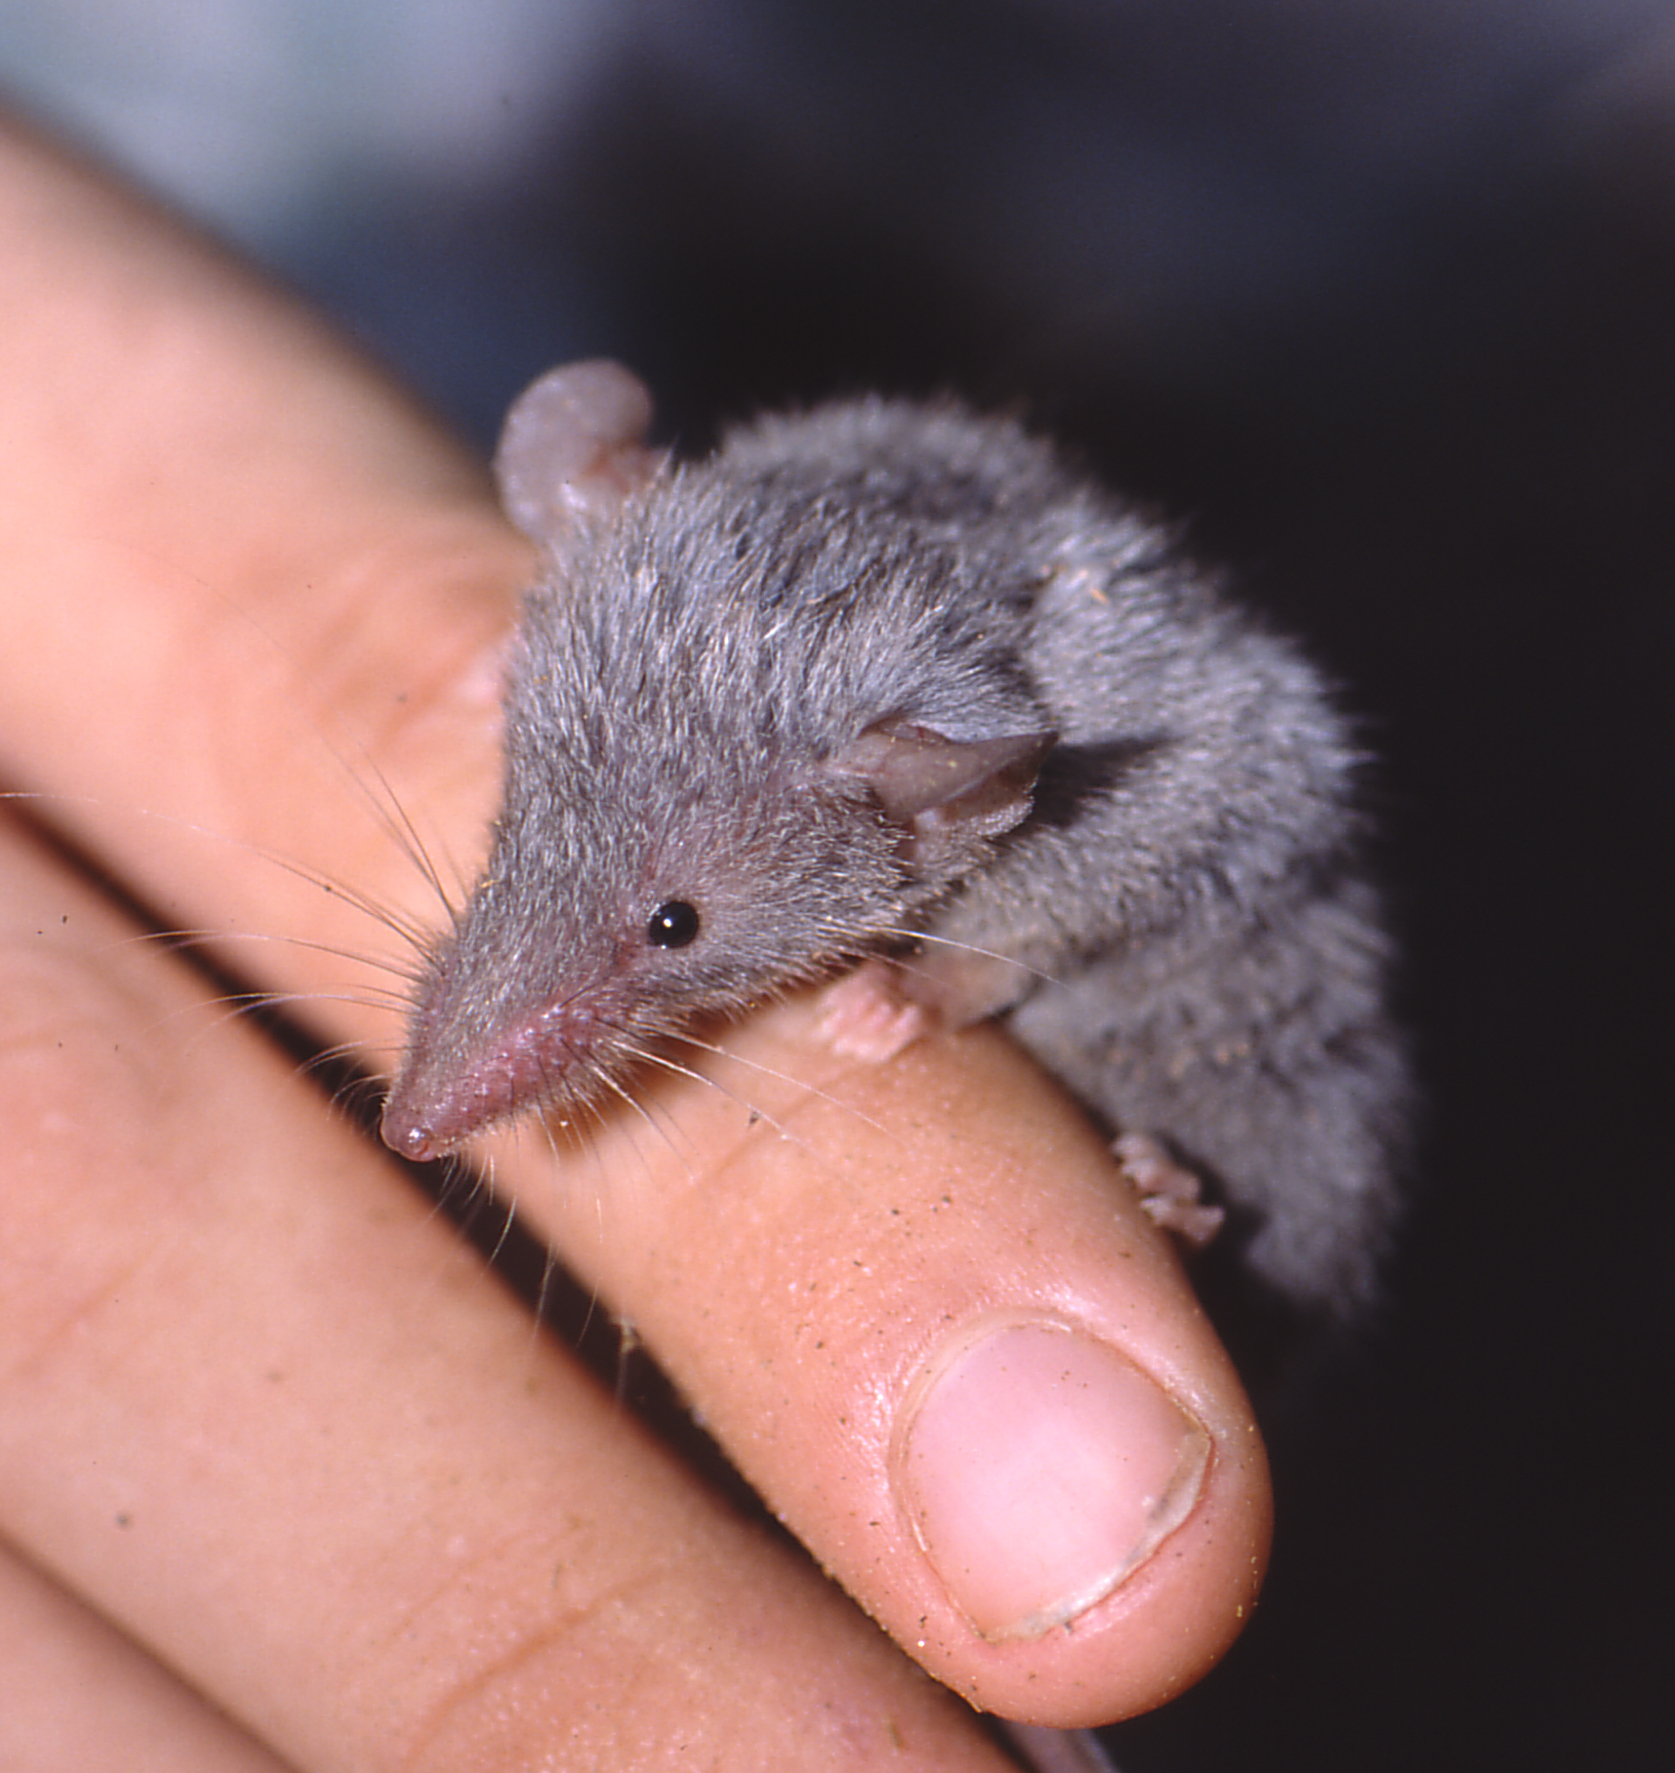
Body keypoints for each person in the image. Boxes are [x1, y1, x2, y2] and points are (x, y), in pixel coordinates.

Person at [0, 113, 1269, 1771]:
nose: (457, 1075)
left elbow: (1230, 788)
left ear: (938, 800)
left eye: (665, 928)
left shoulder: (1095, 745)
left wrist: (971, 973)